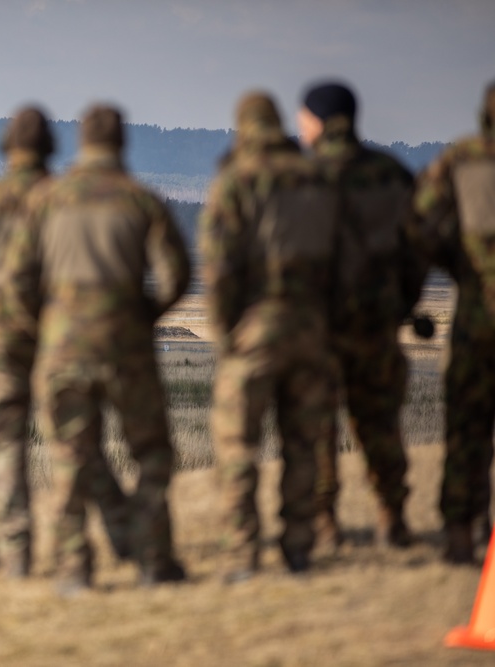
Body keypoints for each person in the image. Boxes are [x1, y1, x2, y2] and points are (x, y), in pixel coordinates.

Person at [5, 104, 191, 594]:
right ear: (123, 143)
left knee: (71, 452)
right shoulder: (141, 200)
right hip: (127, 345)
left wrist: (45, 325)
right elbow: (177, 274)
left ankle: (74, 568)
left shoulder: (48, 200)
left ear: (80, 142)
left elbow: (16, 278)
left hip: (63, 347)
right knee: (149, 452)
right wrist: (142, 315)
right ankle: (154, 560)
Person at [0, 106, 132, 577]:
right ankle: (127, 539)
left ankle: (17, 556)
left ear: (7, 147)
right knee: (78, 445)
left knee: (5, 452)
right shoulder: (64, 199)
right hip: (61, 339)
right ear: (52, 148)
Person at [200, 92, 339, 580]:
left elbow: (217, 267)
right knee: (303, 442)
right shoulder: (317, 181)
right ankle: (299, 546)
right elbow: (344, 260)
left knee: (238, 443)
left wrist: (225, 332)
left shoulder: (238, 180)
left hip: (256, 327)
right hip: (312, 328)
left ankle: (243, 551)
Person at [297, 81, 426, 550]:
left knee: (318, 428)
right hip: (377, 324)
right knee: (380, 423)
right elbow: (418, 253)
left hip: (320, 328)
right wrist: (400, 306)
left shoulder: (303, 178)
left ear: (317, 120)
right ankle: (392, 513)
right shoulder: (392, 176)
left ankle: (325, 520)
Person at [414, 82, 495, 564]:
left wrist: (453, 264)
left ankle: (461, 532)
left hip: (476, 316)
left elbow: (419, 226)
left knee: (466, 428)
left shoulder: (461, 160)